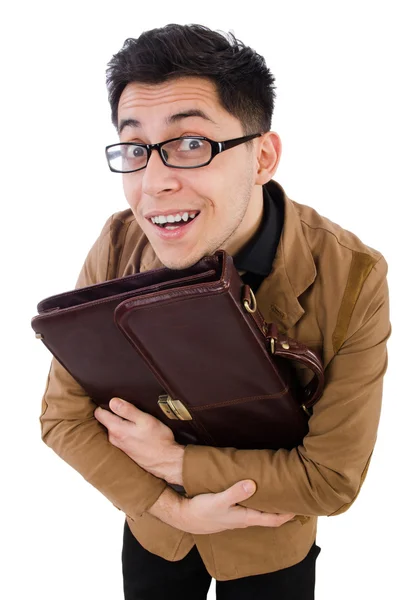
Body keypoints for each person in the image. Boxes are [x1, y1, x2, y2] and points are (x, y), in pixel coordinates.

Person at [39, 24, 391, 600]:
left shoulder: (354, 277)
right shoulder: (117, 242)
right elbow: (61, 418)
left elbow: (331, 480)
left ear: (262, 156)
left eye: (191, 145)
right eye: (135, 149)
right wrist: (167, 506)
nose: (153, 184)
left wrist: (178, 466)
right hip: (156, 532)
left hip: (269, 542)